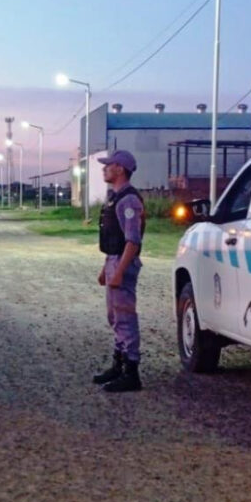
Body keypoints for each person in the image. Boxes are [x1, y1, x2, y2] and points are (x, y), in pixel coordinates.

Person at [93, 150, 146, 392]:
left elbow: (132, 242)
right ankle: (118, 364)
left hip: (124, 263)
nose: (104, 169)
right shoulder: (115, 197)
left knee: (125, 317)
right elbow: (114, 240)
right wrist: (107, 267)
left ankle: (131, 372)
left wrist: (118, 272)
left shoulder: (128, 201)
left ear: (120, 169)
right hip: (114, 260)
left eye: (108, 165)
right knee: (114, 317)